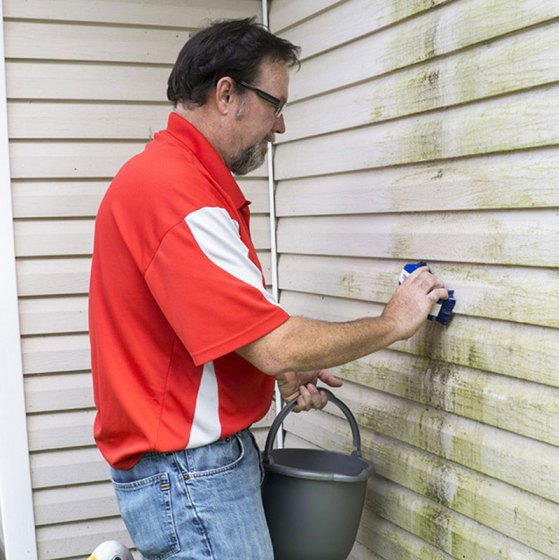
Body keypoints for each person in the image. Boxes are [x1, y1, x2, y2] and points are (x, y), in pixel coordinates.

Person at [88, 17, 448, 560]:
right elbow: (272, 341)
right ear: (226, 94)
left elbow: (198, 334)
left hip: (189, 470)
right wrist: (391, 323)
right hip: (191, 475)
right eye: (275, 105)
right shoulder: (176, 194)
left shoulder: (175, 180)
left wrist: (272, 372)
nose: (279, 126)